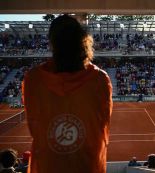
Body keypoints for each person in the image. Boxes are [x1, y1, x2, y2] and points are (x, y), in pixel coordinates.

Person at [22, 15, 113, 173]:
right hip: (87, 166)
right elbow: (103, 123)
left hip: (47, 166)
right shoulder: (100, 79)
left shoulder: (33, 79)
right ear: (83, 41)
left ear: (52, 43)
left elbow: (34, 124)